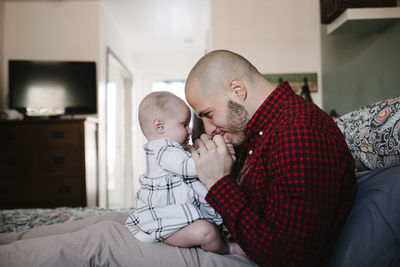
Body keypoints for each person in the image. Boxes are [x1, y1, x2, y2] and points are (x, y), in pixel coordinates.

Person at [184, 50, 357, 266]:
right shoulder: (256, 132)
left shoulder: (298, 134)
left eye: (208, 114)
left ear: (238, 90)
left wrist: (218, 183)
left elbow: (289, 259)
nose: (208, 130)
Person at [125, 91, 243, 255]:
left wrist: (223, 150)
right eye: (184, 124)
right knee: (206, 232)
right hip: (168, 225)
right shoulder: (161, 149)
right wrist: (214, 158)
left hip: (178, 219)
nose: (189, 130)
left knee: (210, 227)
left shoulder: (176, 148)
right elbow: (190, 167)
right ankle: (227, 248)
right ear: (159, 126)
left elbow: (196, 155)